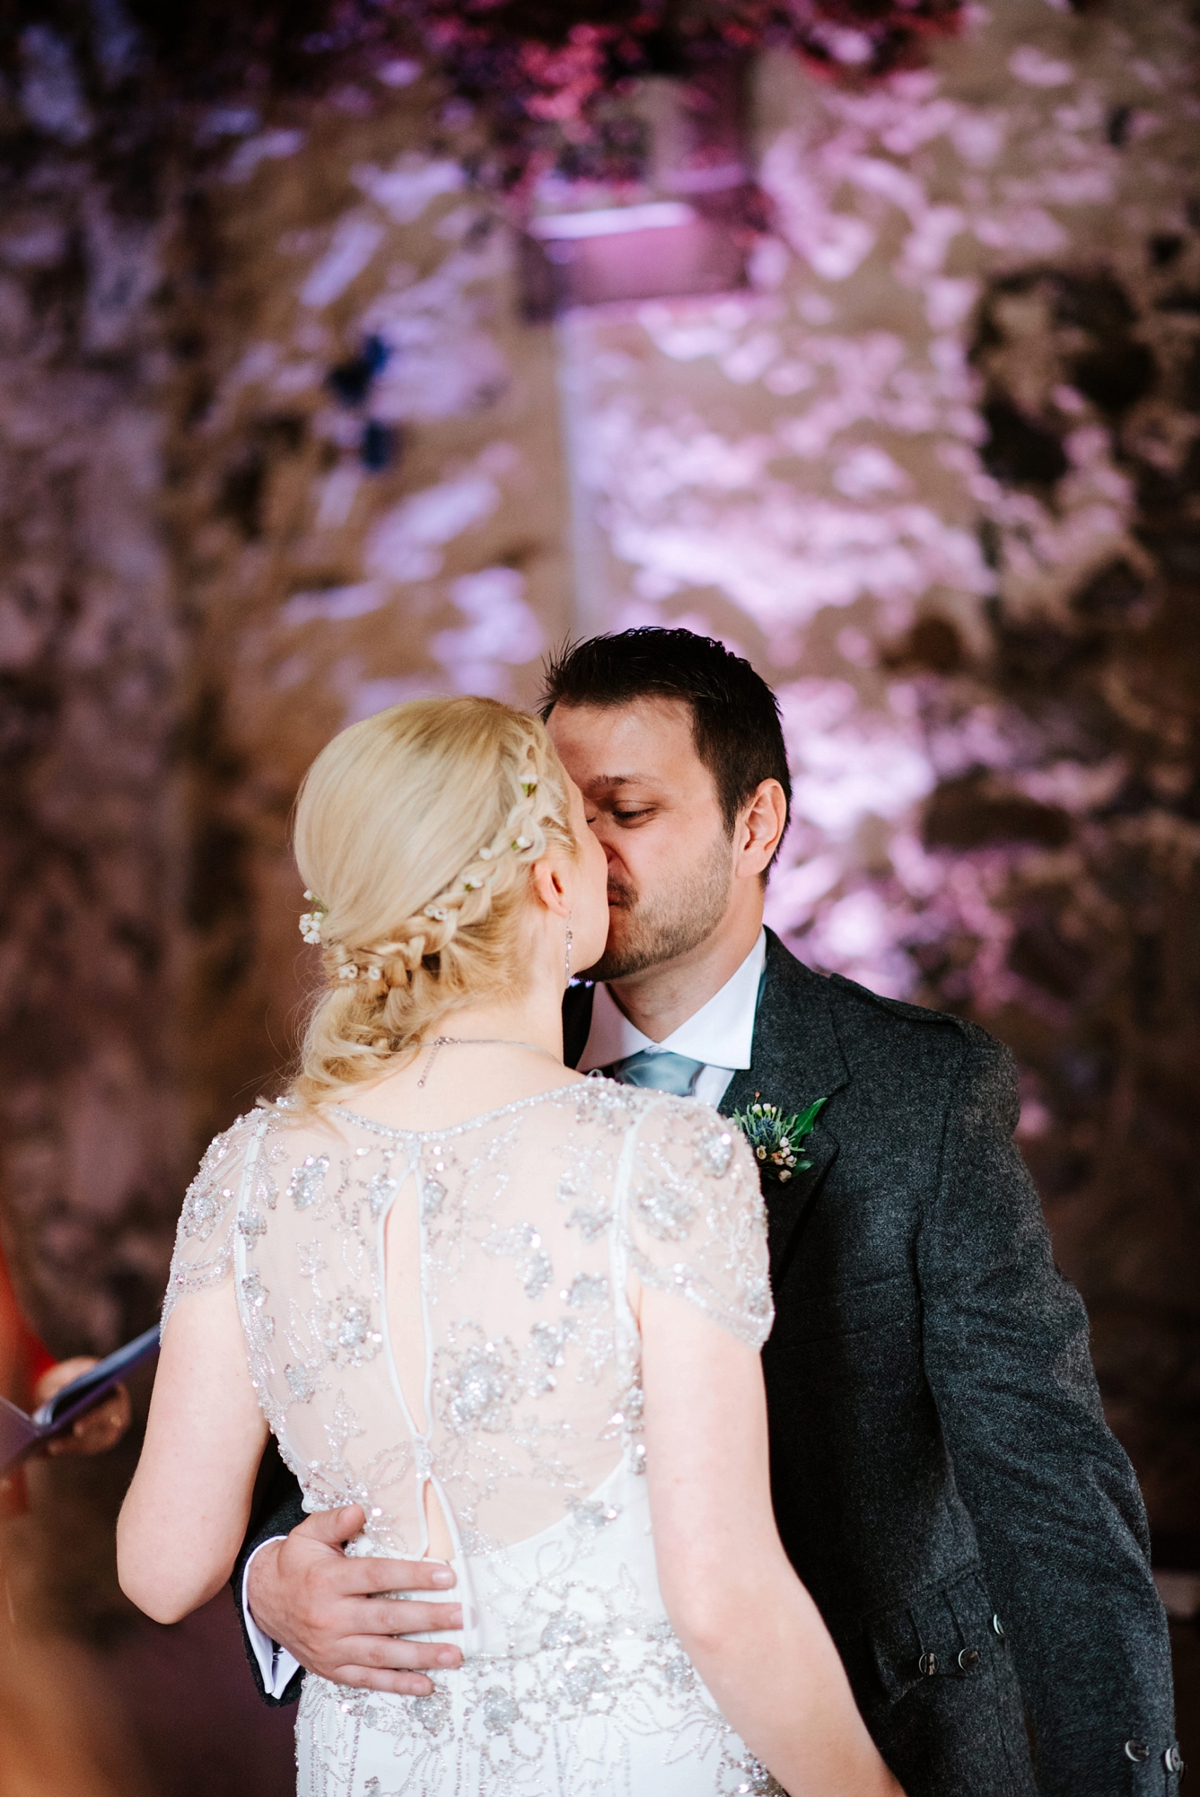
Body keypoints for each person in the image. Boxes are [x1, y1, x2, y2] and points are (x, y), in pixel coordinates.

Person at [235, 629, 1181, 1797]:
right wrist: (274, 1575)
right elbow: (352, 1399)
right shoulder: (425, 1107)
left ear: (757, 826)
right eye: (552, 813)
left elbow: (1050, 1488)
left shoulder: (920, 1093)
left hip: (885, 1733)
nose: (574, 851)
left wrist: (1122, 1777)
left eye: (622, 811)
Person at [116, 694, 902, 1797]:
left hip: (374, 1766)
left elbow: (158, 1567)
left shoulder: (249, 1169)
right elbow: (724, 1601)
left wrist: (278, 1576)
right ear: (550, 880)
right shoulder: (659, 1159)